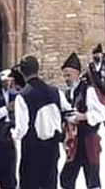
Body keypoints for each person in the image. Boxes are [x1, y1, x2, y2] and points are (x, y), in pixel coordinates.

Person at [12, 55, 74, 189]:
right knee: (50, 183)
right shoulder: (55, 92)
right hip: (52, 148)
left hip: (32, 150)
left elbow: (22, 129)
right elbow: (69, 112)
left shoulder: (22, 97)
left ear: (22, 73)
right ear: (38, 69)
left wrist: (13, 136)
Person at [59, 52, 105, 189]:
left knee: (92, 178)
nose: (66, 78)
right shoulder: (68, 93)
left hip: (88, 139)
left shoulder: (88, 90)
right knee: (66, 178)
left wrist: (83, 116)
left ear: (77, 74)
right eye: (64, 75)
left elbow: (102, 113)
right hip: (75, 141)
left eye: (68, 75)